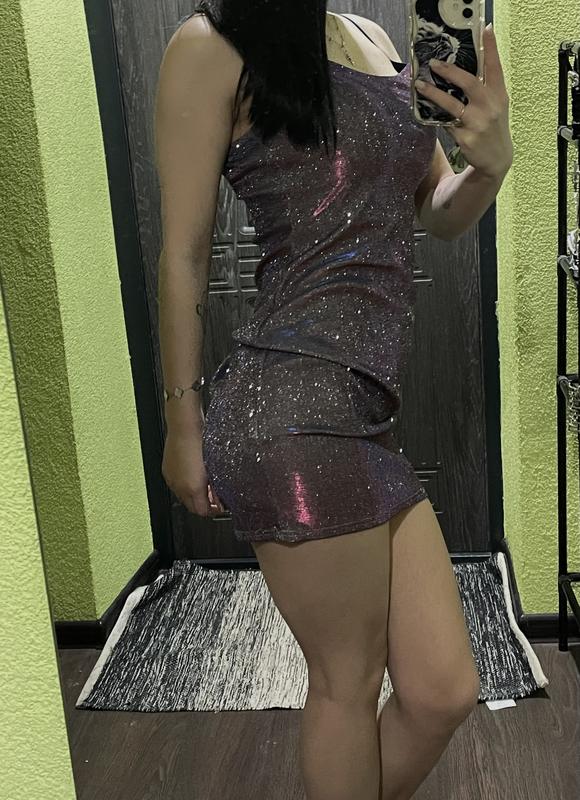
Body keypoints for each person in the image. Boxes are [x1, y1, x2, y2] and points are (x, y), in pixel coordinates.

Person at [155, 3, 513, 798]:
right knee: (348, 681)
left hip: (365, 413)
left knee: (442, 689)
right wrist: (182, 421)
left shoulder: (374, 38)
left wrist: (489, 166)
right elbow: (183, 253)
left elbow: (437, 212)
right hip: (289, 408)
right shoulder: (211, 44)